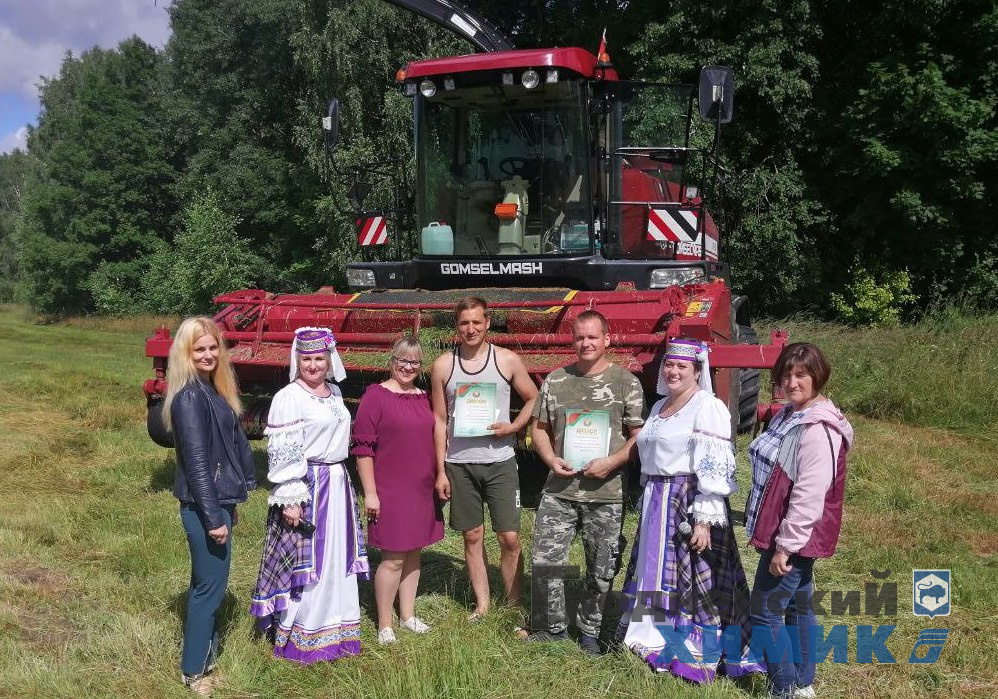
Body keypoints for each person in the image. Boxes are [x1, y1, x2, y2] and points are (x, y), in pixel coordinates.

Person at [615, 338, 764, 681]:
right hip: (657, 500)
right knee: (654, 570)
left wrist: (703, 521)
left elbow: (713, 465)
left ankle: (697, 648)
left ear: (698, 371)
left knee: (694, 576)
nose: (673, 371)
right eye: (669, 365)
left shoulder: (706, 406)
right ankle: (650, 634)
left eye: (682, 366)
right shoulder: (658, 407)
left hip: (688, 501)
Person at [525, 309, 644, 655]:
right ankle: (551, 627)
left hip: (605, 493)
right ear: (572, 340)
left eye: (593, 336)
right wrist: (549, 459)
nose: (586, 343)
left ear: (607, 339)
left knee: (601, 566)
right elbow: (539, 430)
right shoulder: (556, 380)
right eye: (579, 337)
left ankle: (589, 629)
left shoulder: (626, 382)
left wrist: (611, 462)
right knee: (546, 560)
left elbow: (640, 437)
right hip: (559, 490)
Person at [249, 327, 369, 664]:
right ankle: (302, 631)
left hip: (338, 483)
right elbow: (284, 450)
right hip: (310, 486)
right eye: (307, 359)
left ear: (329, 360)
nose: (313, 365)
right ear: (297, 360)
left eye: (319, 358)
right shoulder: (290, 396)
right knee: (310, 560)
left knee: (335, 558)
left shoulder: (333, 393)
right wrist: (291, 498)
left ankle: (337, 629)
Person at [745, 342, 853, 699]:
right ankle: (803, 682)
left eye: (801, 375)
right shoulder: (790, 414)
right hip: (785, 530)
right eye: (786, 375)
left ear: (817, 376)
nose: (792, 382)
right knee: (796, 606)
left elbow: (809, 494)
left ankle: (784, 686)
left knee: (765, 612)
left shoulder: (817, 428)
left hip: (792, 535)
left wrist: (786, 546)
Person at [163, 316, 256, 695]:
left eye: (213, 347)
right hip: (204, 509)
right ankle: (193, 672)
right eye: (199, 349)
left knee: (209, 584)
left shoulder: (212, 391)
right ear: (185, 353)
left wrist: (228, 503)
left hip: (216, 504)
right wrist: (214, 516)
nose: (208, 354)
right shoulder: (188, 397)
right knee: (209, 589)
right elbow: (198, 464)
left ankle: (206, 656)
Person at [430, 297, 538, 620]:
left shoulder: (507, 360)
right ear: (456, 326)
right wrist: (441, 470)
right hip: (460, 463)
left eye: (477, 322)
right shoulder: (442, 366)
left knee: (509, 537)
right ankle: (483, 603)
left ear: (488, 323)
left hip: (501, 461)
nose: (471, 328)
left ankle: (513, 605)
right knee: (472, 535)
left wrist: (515, 426)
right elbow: (439, 419)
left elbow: (534, 397)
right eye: (464, 322)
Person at [352, 336, 444, 644]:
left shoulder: (423, 396)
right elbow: (363, 448)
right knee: (392, 558)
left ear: (421, 366)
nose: (407, 367)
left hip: (420, 489)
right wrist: (372, 493)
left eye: (414, 362)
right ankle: (384, 624)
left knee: (414, 553)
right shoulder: (375, 396)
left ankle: (407, 615)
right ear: (392, 361)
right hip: (390, 489)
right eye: (401, 360)